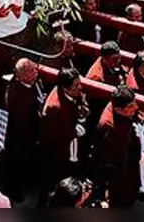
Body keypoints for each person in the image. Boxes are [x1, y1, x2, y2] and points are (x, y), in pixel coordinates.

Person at [39, 68, 88, 201]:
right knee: (55, 184)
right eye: (76, 86)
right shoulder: (54, 108)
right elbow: (51, 135)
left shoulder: (72, 94)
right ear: (65, 88)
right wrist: (74, 131)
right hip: (58, 154)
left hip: (70, 147)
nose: (80, 87)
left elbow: (79, 105)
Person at [93, 86, 144, 207]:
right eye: (131, 106)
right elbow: (107, 159)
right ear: (118, 109)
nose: (136, 107)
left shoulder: (125, 112)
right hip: (119, 173)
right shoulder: (109, 127)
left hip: (131, 162)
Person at [3, 58, 43, 201]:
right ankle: (14, 192)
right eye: (32, 71)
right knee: (17, 165)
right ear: (23, 75)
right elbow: (23, 120)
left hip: (27, 134)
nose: (36, 72)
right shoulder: (18, 95)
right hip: (20, 136)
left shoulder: (31, 83)